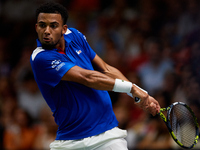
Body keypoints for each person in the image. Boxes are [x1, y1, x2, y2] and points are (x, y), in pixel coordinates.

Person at [30, 2, 160, 150]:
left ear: (63, 29)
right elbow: (88, 78)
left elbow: (105, 68)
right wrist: (132, 88)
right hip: (70, 142)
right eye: (42, 25)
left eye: (53, 25)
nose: (47, 31)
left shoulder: (75, 36)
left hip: (107, 137)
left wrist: (138, 93)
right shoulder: (40, 58)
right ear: (36, 27)